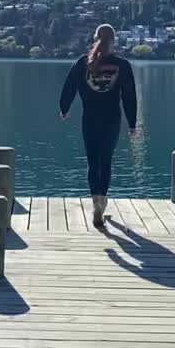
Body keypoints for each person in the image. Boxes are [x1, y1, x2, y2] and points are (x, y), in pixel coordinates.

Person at [59, 24, 138, 230]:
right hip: (111, 119)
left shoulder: (83, 63)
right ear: (115, 40)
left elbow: (69, 86)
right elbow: (129, 95)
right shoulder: (123, 65)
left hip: (90, 119)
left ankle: (96, 203)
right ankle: (102, 203)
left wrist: (64, 108)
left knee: (93, 163)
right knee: (106, 161)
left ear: (95, 39)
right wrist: (132, 122)